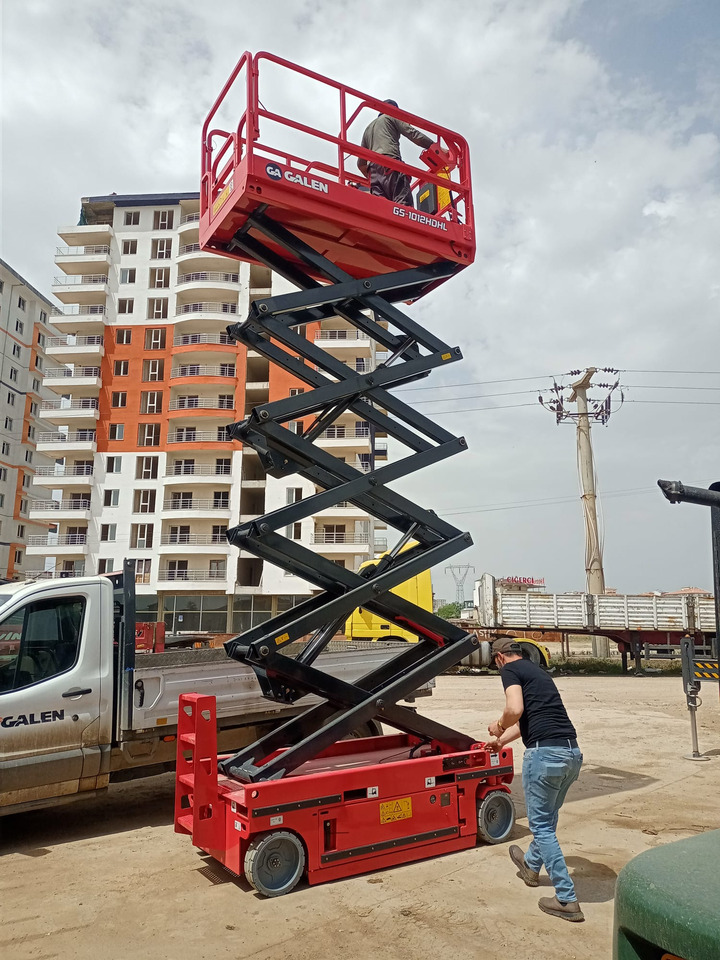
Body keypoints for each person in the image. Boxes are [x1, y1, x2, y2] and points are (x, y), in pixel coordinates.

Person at [485, 636, 584, 923]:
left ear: (500, 657)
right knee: (548, 819)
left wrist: (498, 725)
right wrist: (502, 742)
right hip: (571, 754)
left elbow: (514, 710)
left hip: (545, 757)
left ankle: (566, 899)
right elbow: (531, 720)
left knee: (541, 826)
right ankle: (529, 866)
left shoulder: (509, 670)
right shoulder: (537, 671)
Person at [358, 99, 433, 206]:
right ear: (394, 110)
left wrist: (375, 175)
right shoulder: (391, 116)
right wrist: (434, 147)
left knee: (381, 208)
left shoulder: (368, 129)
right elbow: (413, 134)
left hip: (373, 172)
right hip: (390, 163)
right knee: (403, 206)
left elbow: (360, 164)